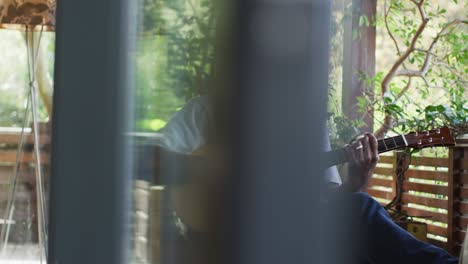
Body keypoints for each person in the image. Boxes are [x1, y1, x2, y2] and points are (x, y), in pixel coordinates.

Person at [151, 95, 459, 263]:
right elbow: (156, 158)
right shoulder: (207, 110)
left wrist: (356, 178)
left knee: (359, 208)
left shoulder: (308, 120)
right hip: (226, 233)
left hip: (294, 230)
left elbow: (331, 199)